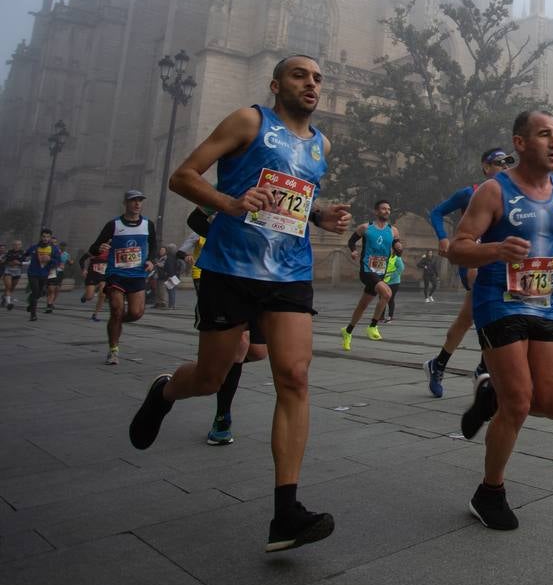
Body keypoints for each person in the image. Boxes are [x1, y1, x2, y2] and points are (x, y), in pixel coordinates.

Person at [127, 53, 352, 552]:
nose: (312, 83)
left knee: (294, 376)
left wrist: (320, 215)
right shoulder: (250, 120)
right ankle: (165, 391)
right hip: (231, 268)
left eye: (318, 78)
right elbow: (183, 176)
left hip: (290, 271)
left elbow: (297, 199)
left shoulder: (321, 145)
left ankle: (286, 513)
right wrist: (230, 202)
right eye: (300, 75)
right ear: (276, 84)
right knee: (210, 378)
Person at [448, 110, 553, 531]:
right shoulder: (494, 192)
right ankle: (489, 493)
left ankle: (490, 391)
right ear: (521, 143)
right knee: (520, 403)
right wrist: (495, 251)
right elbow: (458, 248)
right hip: (498, 303)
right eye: (545, 134)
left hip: (543, 304)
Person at [423, 148, 517, 397]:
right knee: (492, 308)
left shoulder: (515, 196)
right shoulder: (470, 193)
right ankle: (484, 370)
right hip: (474, 262)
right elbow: (436, 212)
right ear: (486, 167)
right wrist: (444, 238)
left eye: (509, 162)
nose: (505, 166)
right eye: (499, 163)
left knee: (466, 319)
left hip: (501, 265)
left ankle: (440, 363)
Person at [90, 191, 157, 363]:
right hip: (116, 274)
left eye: (140, 201)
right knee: (116, 308)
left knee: (136, 313)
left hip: (137, 274)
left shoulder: (148, 224)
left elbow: (154, 246)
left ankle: (116, 322)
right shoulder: (113, 225)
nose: (137, 204)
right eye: (133, 201)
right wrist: (100, 247)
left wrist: (150, 260)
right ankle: (113, 350)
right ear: (125, 203)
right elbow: (94, 247)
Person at [341, 201, 397, 349]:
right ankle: (372, 326)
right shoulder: (366, 227)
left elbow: (397, 246)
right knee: (386, 294)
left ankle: (348, 331)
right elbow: (351, 241)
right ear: (376, 211)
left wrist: (399, 248)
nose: (387, 211)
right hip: (367, 270)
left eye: (389, 209)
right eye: (384, 209)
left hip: (380, 272)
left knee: (363, 305)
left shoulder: (393, 231)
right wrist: (353, 250)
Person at [22, 229, 61, 321]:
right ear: (41, 237)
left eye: (48, 237)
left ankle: (31, 303)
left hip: (44, 274)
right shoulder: (34, 247)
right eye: (44, 236)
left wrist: (49, 259)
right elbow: (24, 255)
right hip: (33, 273)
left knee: (40, 293)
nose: (45, 238)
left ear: (50, 238)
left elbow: (58, 262)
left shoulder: (54, 249)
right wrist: (21, 259)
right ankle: (33, 315)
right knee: (35, 292)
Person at [78, 247, 109, 320]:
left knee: (102, 295)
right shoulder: (94, 250)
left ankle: (95, 314)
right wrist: (84, 270)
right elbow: (81, 260)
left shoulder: (112, 250)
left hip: (104, 276)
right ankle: (85, 295)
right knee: (89, 297)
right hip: (92, 275)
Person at [380, 240, 405, 322]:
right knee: (381, 298)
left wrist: (391, 277)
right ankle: (381, 316)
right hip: (383, 281)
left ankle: (390, 316)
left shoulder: (397, 258)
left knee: (390, 299)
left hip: (393, 283)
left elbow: (401, 268)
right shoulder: (385, 257)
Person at [3, 239, 24, 309]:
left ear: (21, 246)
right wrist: (10, 263)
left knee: (12, 287)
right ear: (12, 245)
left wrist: (19, 263)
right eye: (15, 245)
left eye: (18, 245)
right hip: (8, 271)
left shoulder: (23, 253)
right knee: (8, 286)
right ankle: (9, 303)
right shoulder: (8, 252)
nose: (16, 246)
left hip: (17, 271)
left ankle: (4, 297)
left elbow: (27, 262)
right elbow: (3, 261)